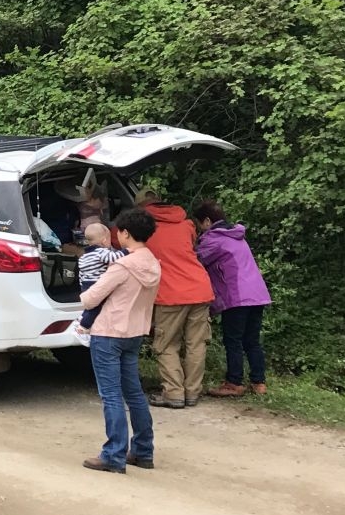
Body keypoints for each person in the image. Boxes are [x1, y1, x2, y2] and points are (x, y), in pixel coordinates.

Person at [78, 207, 162, 473]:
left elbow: (90, 298)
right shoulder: (152, 262)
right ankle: (143, 451)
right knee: (134, 393)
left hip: (109, 333)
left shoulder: (122, 266)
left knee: (111, 395)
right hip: (135, 332)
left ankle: (113, 455)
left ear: (125, 233)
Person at [141, 190, 215, 408]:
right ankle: (192, 392)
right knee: (196, 344)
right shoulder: (187, 224)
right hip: (200, 288)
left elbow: (118, 238)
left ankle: (173, 393)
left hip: (170, 293)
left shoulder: (142, 226)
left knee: (166, 344)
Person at [194, 200, 274, 397]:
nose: (199, 230)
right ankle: (258, 382)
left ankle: (234, 382)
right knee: (252, 341)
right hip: (258, 295)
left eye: (199, 225)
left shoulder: (213, 239)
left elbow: (194, 260)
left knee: (233, 340)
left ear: (206, 221)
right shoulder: (237, 235)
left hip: (237, 296)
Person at [75, 220, 125, 341]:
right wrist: (127, 251)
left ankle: (81, 319)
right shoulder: (101, 252)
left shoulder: (84, 256)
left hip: (86, 284)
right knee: (97, 307)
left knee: (90, 307)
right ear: (104, 241)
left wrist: (82, 287)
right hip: (96, 283)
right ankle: (83, 328)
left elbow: (81, 273)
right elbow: (113, 257)